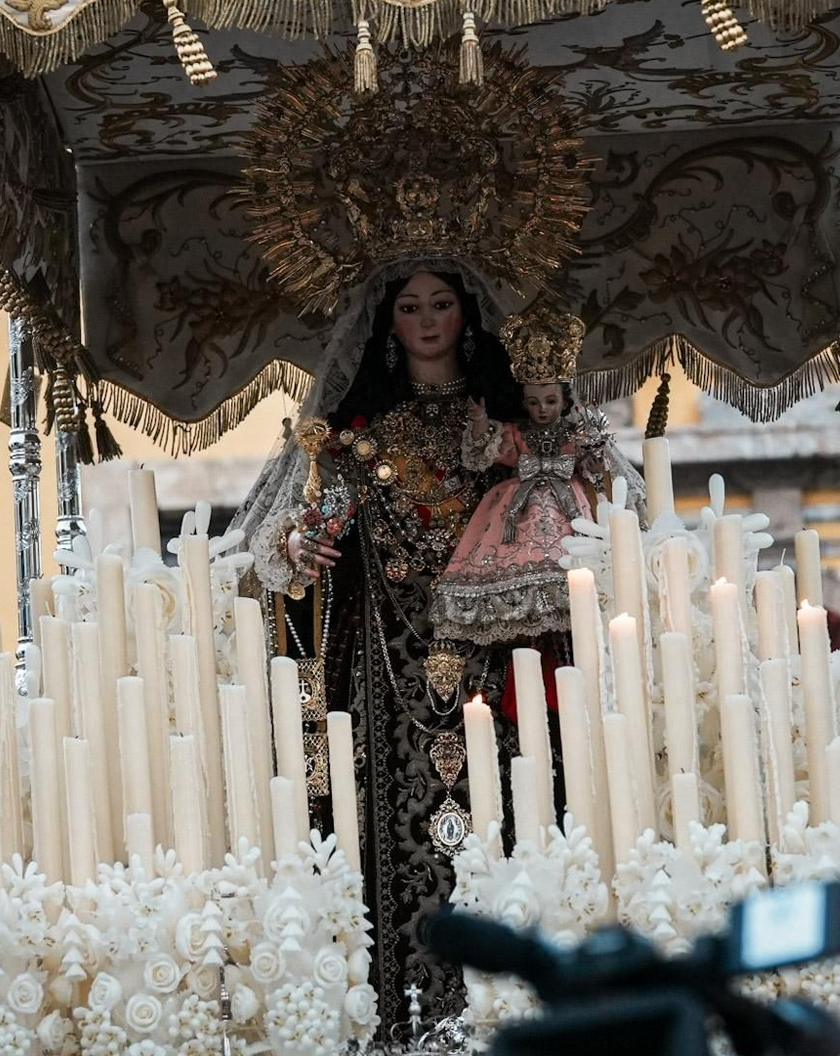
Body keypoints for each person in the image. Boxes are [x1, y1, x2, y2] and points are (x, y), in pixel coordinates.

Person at [242, 261, 528, 1030]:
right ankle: (399, 1021)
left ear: (467, 316)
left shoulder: (503, 429)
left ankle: (503, 1016)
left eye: (441, 304)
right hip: (387, 675)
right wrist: (299, 546)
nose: (429, 320)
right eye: (410, 307)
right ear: (389, 324)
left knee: (505, 815)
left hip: (493, 666)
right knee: (387, 831)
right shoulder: (360, 441)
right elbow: (311, 525)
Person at [430, 302, 616, 647]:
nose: (542, 409)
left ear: (564, 401)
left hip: (569, 509)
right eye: (533, 402)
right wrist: (481, 422)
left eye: (549, 401)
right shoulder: (516, 434)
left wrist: (592, 452)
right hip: (517, 508)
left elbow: (594, 466)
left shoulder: (574, 434)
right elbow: (482, 454)